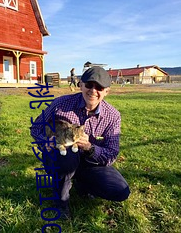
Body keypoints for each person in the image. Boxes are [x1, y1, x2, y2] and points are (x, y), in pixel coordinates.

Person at [30, 66, 130, 219]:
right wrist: (45, 142)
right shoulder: (60, 104)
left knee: (120, 190)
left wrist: (90, 147)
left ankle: (81, 183)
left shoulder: (113, 116)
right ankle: (61, 201)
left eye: (99, 87)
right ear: (80, 85)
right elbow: (36, 127)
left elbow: (111, 154)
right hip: (61, 156)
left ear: (107, 91)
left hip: (90, 162)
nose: (93, 91)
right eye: (89, 85)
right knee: (67, 156)